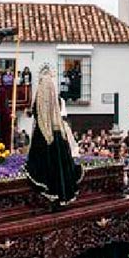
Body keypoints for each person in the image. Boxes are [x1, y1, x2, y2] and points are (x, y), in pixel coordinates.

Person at [25, 64, 83, 205]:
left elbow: (35, 111)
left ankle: (51, 193)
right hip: (57, 133)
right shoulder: (55, 97)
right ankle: (63, 194)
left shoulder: (40, 92)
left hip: (44, 132)